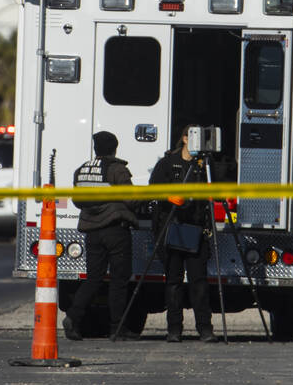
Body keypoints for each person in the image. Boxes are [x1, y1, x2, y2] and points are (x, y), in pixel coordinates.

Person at [63, 131, 138, 341]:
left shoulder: (82, 170)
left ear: (96, 149)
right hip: (115, 230)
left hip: (91, 232)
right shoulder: (117, 169)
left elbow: (77, 201)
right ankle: (117, 328)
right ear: (115, 148)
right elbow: (130, 199)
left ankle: (73, 316)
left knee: (93, 279)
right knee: (118, 281)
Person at [149, 125, 216, 343]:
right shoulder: (168, 162)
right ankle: (174, 329)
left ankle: (205, 329)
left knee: (199, 282)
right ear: (185, 138)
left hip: (196, 229)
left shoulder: (204, 166)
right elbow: (153, 189)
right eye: (194, 136)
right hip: (173, 227)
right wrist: (169, 196)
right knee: (174, 281)